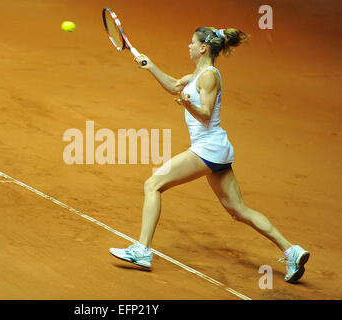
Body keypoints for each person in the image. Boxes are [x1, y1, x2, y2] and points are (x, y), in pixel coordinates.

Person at [109, 27, 310, 283]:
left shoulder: (209, 77)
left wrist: (187, 104)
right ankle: (291, 251)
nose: (188, 46)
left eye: (192, 42)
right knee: (238, 210)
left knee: (153, 184)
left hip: (208, 148)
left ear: (203, 48)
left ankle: (142, 250)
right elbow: (174, 85)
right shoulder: (197, 75)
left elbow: (204, 113)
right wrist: (151, 66)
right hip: (217, 151)